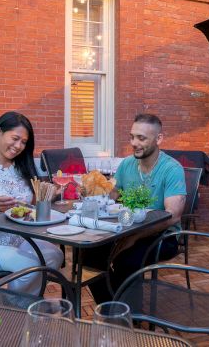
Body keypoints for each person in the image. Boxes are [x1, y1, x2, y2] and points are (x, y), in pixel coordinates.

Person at [85, 113, 187, 303]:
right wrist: (91, 191)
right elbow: (112, 195)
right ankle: (113, 309)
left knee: (127, 260)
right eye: (132, 136)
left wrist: (136, 236)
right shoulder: (127, 164)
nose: (134, 142)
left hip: (163, 236)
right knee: (89, 254)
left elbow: (172, 216)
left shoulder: (172, 169)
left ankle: (126, 312)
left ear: (159, 139)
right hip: (126, 229)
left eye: (141, 138)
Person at [0, 111, 64, 295]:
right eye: (15, 138)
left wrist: (51, 194)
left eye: (23, 142)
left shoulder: (21, 168)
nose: (18, 146)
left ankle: (23, 304)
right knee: (31, 267)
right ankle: (15, 312)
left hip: (19, 240)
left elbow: (31, 205)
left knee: (55, 255)